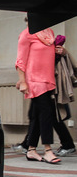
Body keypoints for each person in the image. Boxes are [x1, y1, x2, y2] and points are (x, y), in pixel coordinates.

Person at [15, 21, 62, 164]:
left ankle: (31, 150)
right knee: (47, 113)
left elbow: (49, 58)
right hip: (34, 81)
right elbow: (20, 61)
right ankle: (48, 150)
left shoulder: (50, 34)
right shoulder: (26, 35)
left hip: (48, 80)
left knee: (36, 115)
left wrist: (60, 52)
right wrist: (22, 81)